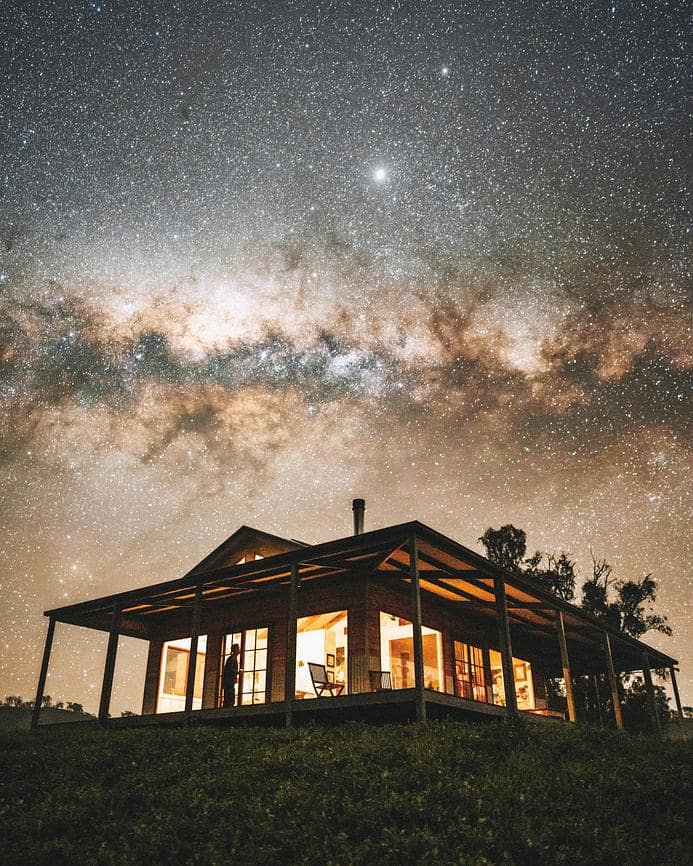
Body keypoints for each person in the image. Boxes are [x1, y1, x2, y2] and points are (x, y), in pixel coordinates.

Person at [222, 643, 240, 708]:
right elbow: (229, 669)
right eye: (238, 648)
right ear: (235, 649)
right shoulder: (231, 659)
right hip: (228, 681)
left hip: (229, 681)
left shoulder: (232, 658)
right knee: (229, 696)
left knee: (229, 696)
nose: (239, 650)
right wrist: (237, 672)